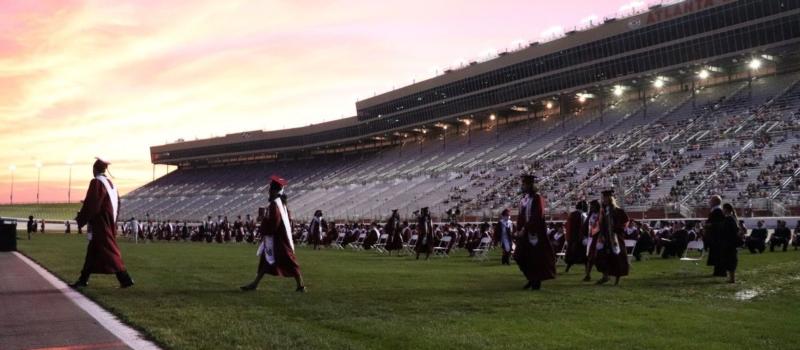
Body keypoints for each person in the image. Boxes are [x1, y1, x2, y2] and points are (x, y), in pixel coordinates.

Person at [70, 158, 134, 289]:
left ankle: (125, 279)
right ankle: (83, 279)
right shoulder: (111, 184)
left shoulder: (96, 182)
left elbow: (93, 203)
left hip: (101, 223)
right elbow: (114, 204)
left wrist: (81, 217)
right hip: (109, 221)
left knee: (110, 251)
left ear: (95, 169)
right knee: (92, 252)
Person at [241, 175, 306, 292]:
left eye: (270, 189)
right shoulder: (283, 204)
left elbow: (273, 222)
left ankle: (300, 285)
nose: (269, 192)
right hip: (280, 237)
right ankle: (254, 284)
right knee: (266, 260)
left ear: (274, 191)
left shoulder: (275, 205)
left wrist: (263, 222)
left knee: (289, 261)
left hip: (279, 240)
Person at [513, 175, 556, 291]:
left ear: (530, 185)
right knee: (519, 256)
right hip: (525, 232)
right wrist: (519, 229)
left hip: (535, 232)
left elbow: (537, 216)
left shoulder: (537, 198)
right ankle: (531, 277)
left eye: (524, 184)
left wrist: (525, 228)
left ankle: (536, 281)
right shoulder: (524, 199)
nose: (522, 186)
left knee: (536, 258)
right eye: (522, 184)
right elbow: (521, 216)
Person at [593, 189, 629, 286]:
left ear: (610, 198)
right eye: (603, 198)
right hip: (605, 238)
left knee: (617, 258)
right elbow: (601, 225)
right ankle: (605, 276)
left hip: (615, 237)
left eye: (605, 198)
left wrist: (616, 229)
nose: (603, 200)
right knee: (603, 257)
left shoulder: (618, 211)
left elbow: (625, 222)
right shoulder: (604, 211)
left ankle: (617, 279)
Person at [705, 195, 727, 277]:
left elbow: (720, 224)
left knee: (719, 254)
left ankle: (721, 272)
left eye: (711, 200)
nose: (709, 202)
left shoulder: (718, 211)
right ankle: (717, 271)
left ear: (715, 201)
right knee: (716, 254)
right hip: (715, 236)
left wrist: (710, 225)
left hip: (718, 237)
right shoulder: (715, 210)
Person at [564, 201, 588, 273]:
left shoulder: (571, 214)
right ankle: (587, 270)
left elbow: (567, 226)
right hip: (580, 238)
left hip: (572, 237)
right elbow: (584, 226)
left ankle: (567, 268)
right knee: (584, 255)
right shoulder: (583, 215)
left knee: (571, 254)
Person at [719, 203, 739, 283]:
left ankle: (732, 278)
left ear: (726, 209)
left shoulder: (729, 219)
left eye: (723, 209)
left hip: (729, 242)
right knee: (730, 260)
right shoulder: (732, 218)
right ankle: (731, 278)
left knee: (730, 260)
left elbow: (727, 231)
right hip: (730, 242)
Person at [583, 200, 601, 282]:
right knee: (590, 257)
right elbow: (586, 225)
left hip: (598, 238)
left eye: (592, 206)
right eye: (590, 206)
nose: (591, 208)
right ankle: (588, 274)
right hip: (590, 237)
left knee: (594, 257)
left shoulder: (601, 215)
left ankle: (589, 274)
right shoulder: (591, 214)